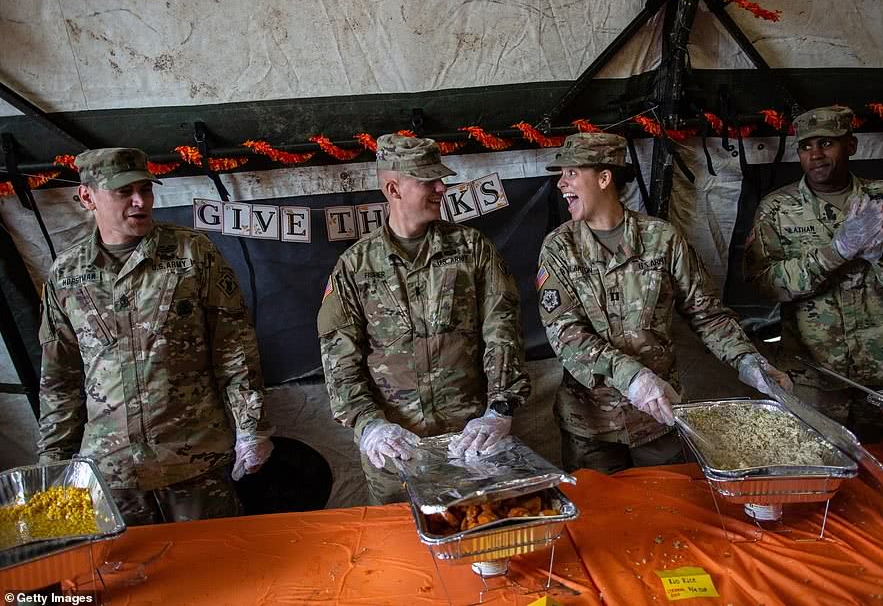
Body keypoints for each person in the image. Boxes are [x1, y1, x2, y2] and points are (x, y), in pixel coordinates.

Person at [37, 147, 273, 525]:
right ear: (86, 197)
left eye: (145, 189)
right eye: (123, 192)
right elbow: (59, 377)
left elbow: (234, 347)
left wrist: (251, 427)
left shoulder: (192, 253)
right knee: (126, 575)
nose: (139, 201)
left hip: (192, 461)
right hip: (111, 471)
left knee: (219, 570)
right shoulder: (66, 274)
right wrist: (53, 460)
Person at [537, 132, 792, 474]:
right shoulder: (558, 248)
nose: (561, 184)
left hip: (657, 421)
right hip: (590, 427)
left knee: (669, 511)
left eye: (570, 173)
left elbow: (708, 315)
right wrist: (632, 378)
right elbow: (565, 334)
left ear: (603, 177)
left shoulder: (663, 239)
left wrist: (748, 361)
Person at [317, 134, 530, 504]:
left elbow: (503, 333)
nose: (441, 188)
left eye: (440, 178)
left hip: (471, 444)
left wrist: (500, 408)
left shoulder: (472, 249)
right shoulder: (355, 267)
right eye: (428, 180)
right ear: (393, 188)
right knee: (398, 554)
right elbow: (340, 363)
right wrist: (370, 425)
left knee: (477, 541)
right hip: (396, 456)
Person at [744, 105, 883, 439]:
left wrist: (881, 253)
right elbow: (764, 284)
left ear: (851, 146)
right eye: (806, 146)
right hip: (811, 379)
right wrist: (834, 253)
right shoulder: (777, 208)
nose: (815, 155)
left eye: (826, 143)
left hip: (882, 372)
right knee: (816, 471)